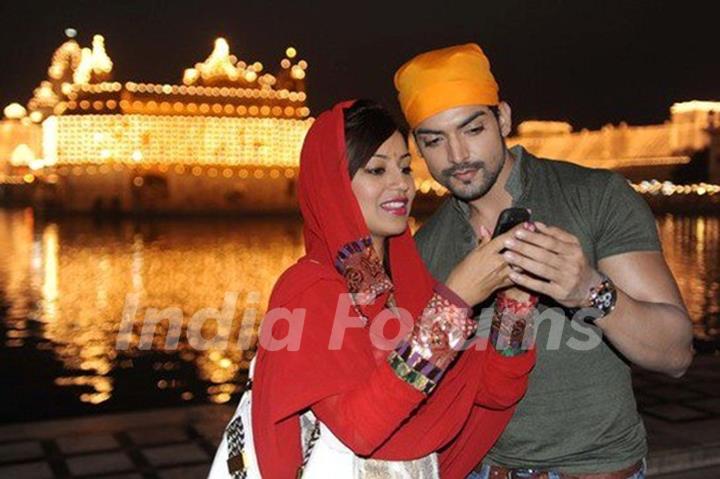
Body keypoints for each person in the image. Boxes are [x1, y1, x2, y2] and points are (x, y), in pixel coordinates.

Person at [394, 44, 695, 478]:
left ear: (502, 119)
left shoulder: (594, 197)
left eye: (472, 129)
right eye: (435, 140)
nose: (457, 156)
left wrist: (589, 290)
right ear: (418, 147)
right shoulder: (426, 249)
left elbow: (676, 353)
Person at [245, 99, 536, 478]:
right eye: (377, 169)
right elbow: (359, 430)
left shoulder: (413, 289)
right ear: (333, 184)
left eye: (404, 168)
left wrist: (514, 304)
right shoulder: (309, 290)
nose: (401, 184)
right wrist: (456, 302)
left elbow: (496, 393)